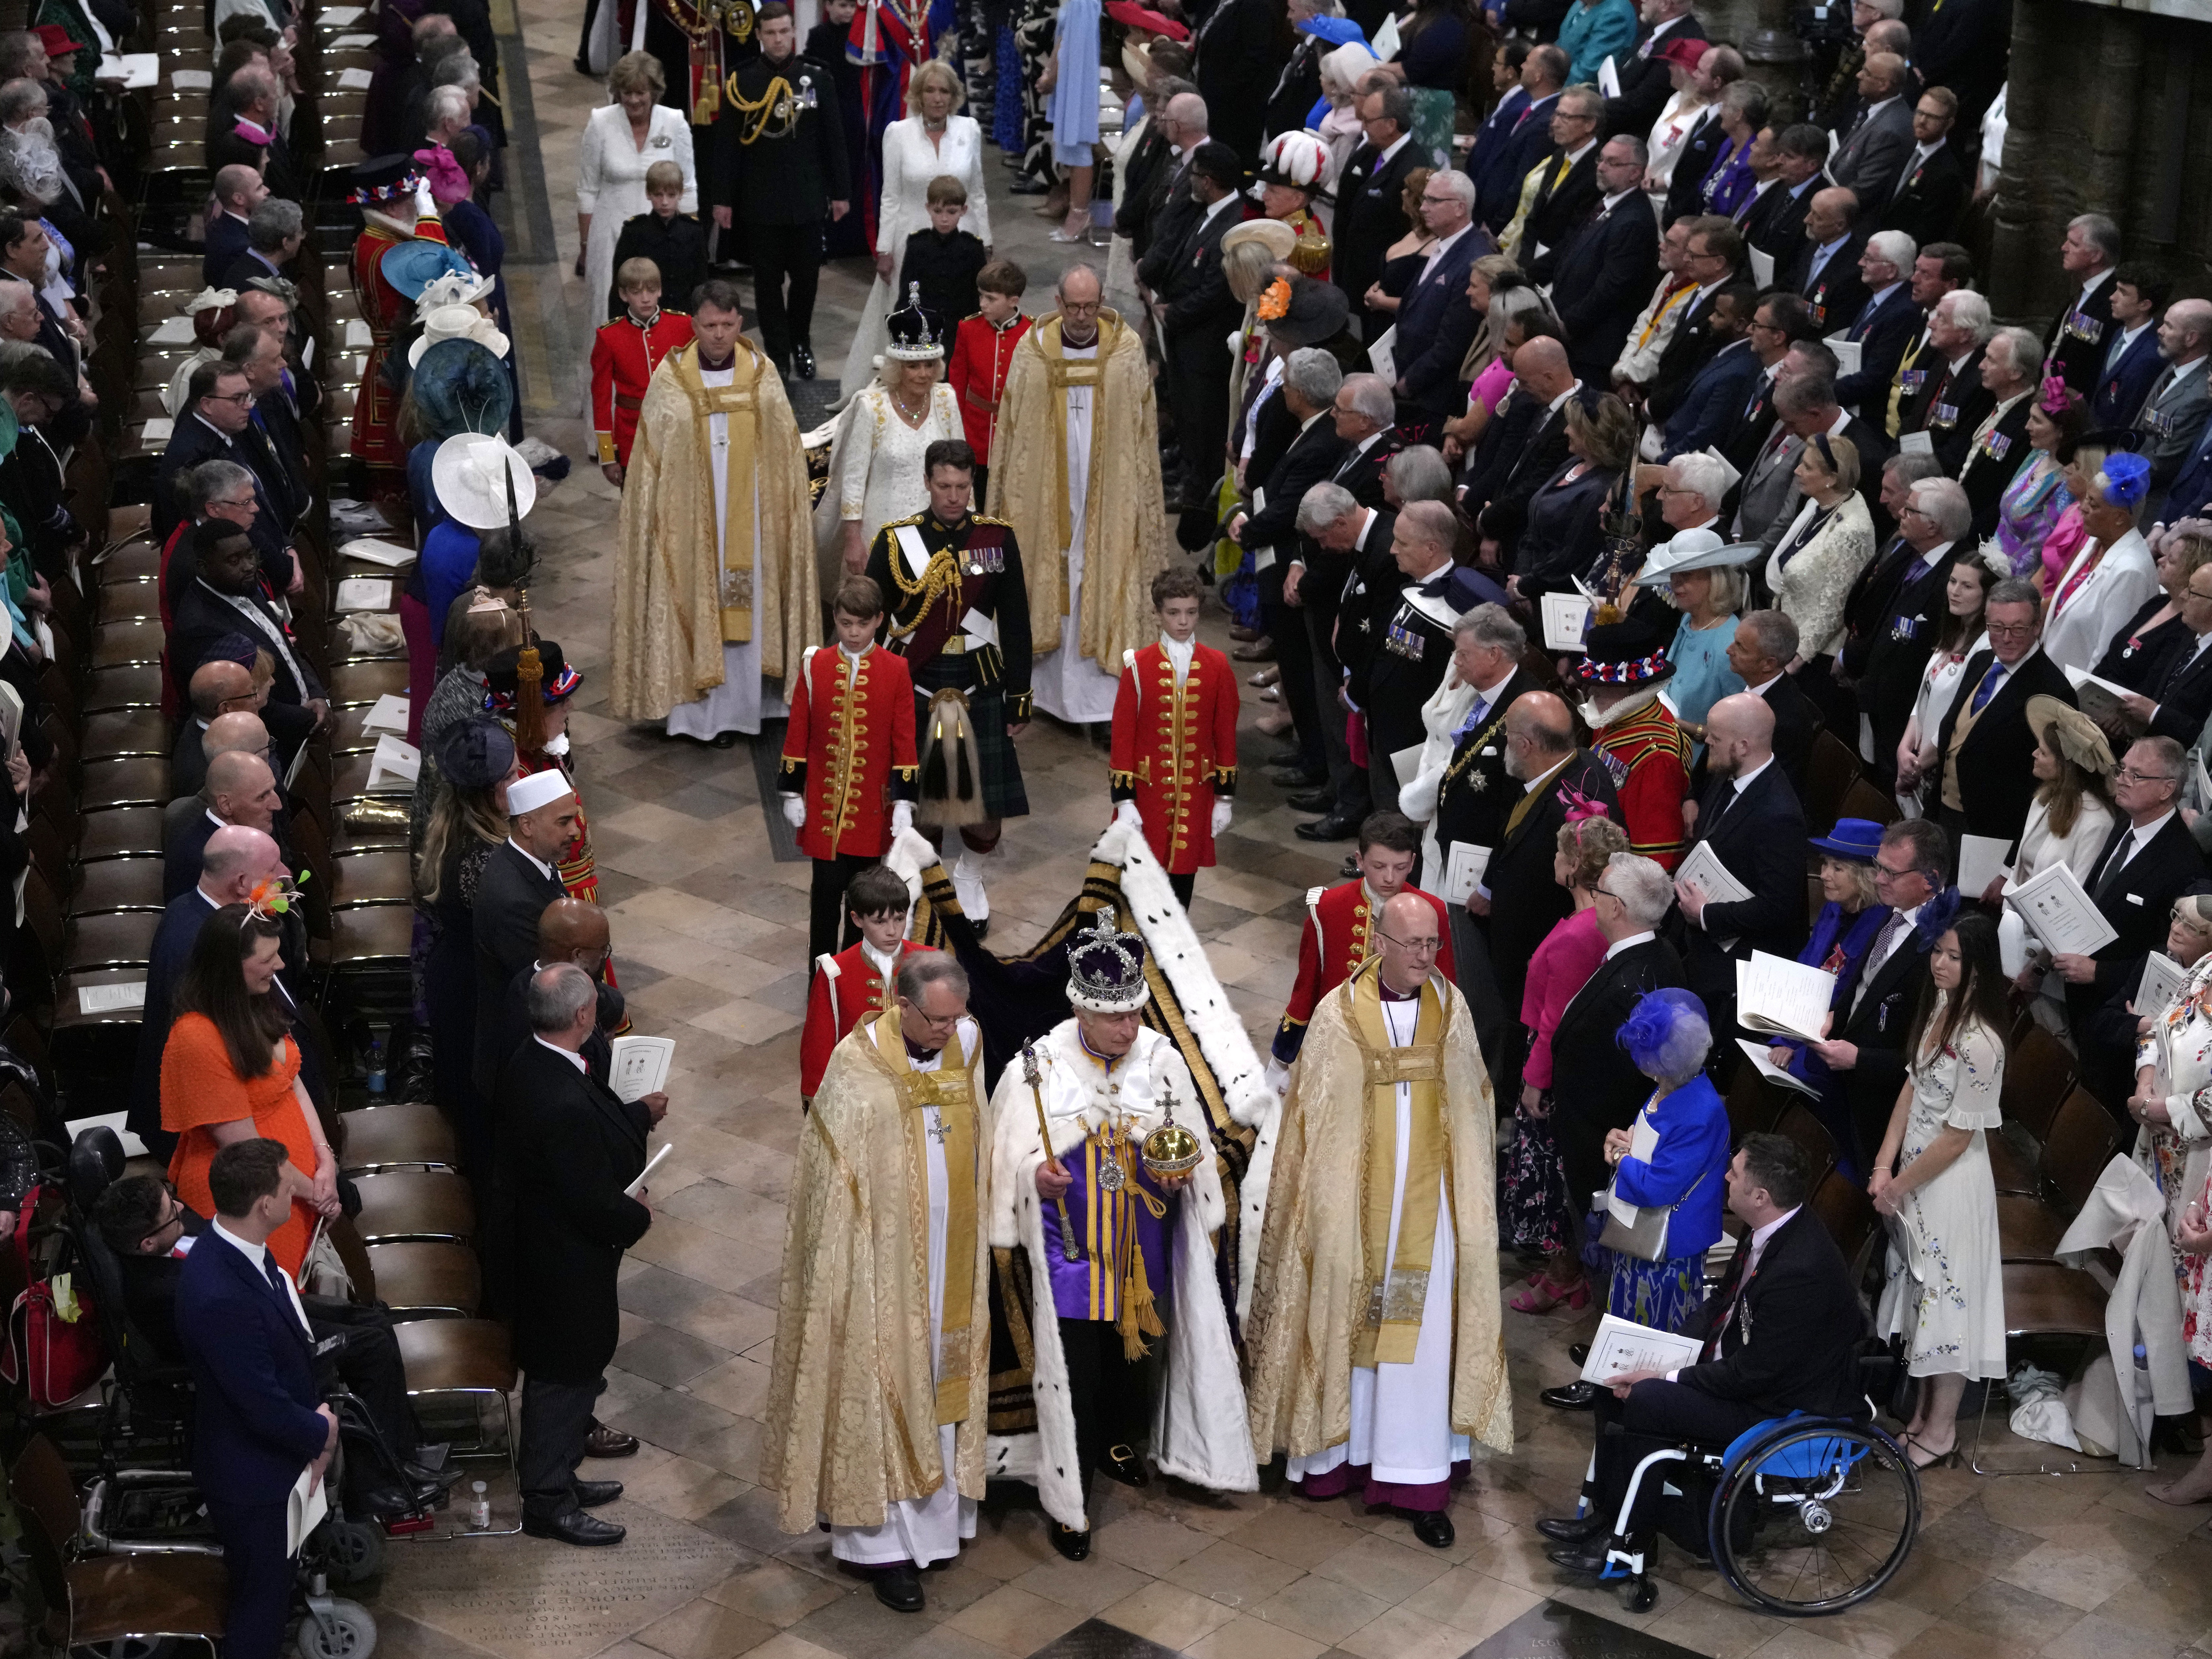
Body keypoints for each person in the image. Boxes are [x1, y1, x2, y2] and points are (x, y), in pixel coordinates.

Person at [1247, 888, 1511, 1549]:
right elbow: (1314, 1121)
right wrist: (1328, 1208)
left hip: (1430, 1214)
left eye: (1433, 943)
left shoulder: (1451, 1012)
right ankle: (1338, 1456)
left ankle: (1414, 1473)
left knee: (1420, 1340)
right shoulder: (1337, 1016)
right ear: (1380, 945)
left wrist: (1466, 1203)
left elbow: (1474, 1106)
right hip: (1351, 1211)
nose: (1426, 956)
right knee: (1346, 1317)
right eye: (1413, 944)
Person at [986, 908, 1250, 1559]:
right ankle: (1069, 1490)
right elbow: (1007, 1159)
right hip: (1069, 1250)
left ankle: (1119, 1441)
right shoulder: (1037, 1067)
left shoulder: (1159, 1060)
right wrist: (1033, 1179)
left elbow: (1190, 1143)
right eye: (1116, 1017)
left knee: (1134, 1357)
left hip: (1142, 1247)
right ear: (1082, 1012)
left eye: (1135, 1013)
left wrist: (1180, 1167)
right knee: (1075, 1369)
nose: (1130, 1027)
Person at [1539, 1135, 1867, 1581]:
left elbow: (1754, 1375)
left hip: (1776, 1404)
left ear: (1760, 1196)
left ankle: (1631, 1542)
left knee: (1647, 1401)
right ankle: (1609, 1518)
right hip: (1744, 1370)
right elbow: (1719, 1305)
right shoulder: (1770, 1227)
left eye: (1734, 1173)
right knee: (1610, 1378)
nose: (1725, 1177)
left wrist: (1670, 1375)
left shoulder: (1801, 1270)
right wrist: (1666, 1350)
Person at [766, 952, 990, 1604]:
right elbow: (828, 1183)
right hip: (880, 1264)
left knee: (941, 1379)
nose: (950, 1029)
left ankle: (939, 1527)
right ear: (903, 1004)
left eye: (956, 1016)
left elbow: (983, 1128)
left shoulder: (969, 1042)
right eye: (938, 1019)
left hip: (954, 1255)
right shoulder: (856, 1063)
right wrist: (848, 1259)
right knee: (883, 1383)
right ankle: (882, 1545)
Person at [611, 280, 818, 744]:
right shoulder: (672, 379)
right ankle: (698, 718)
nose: (720, 335)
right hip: (691, 527)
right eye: (710, 326)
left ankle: (750, 710)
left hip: (753, 523)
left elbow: (786, 457)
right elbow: (651, 463)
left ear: (740, 323)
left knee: (749, 607)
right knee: (698, 602)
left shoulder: (763, 376)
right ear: (694, 325)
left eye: (728, 325)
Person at [173, 1140, 340, 1659]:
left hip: (265, 1456)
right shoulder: (220, 1293)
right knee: (260, 1611)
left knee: (270, 1594)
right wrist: (322, 1434)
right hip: (254, 1478)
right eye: (289, 1186)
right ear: (266, 1204)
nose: (297, 1191)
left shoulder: (235, 1246)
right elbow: (259, 1402)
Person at [507, 964, 652, 1547]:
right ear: (583, 1016)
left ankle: (562, 1471)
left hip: (548, 1247)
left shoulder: (533, 1058)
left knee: (573, 1362)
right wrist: (637, 1211)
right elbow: (588, 1198)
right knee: (563, 1370)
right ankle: (547, 1497)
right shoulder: (560, 1098)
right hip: (563, 1258)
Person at [988, 262, 1168, 727]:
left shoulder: (1125, 351)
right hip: (1047, 493)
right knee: (1053, 568)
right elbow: (1013, 431)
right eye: (1075, 307)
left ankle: (1107, 702)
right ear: (1059, 304)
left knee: (1104, 571)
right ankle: (1045, 692)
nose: (1084, 316)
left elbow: (1142, 431)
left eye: (1091, 305)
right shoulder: (1033, 351)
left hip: (1108, 488)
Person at [865, 440, 1032, 928]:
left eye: (962, 487)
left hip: (979, 681)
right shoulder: (898, 542)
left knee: (985, 804)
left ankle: (971, 875)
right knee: (920, 800)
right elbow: (873, 618)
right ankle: (928, 882)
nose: (954, 497)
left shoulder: (997, 540)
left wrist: (1019, 697)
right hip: (917, 682)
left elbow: (1016, 621)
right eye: (944, 486)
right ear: (927, 482)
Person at [1870, 911, 2007, 1468]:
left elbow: (1956, 1138)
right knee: (1919, 1299)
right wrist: (1883, 1163)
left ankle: (1943, 1427)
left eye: (1953, 955)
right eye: (1939, 951)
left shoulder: (1981, 1043)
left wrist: (1898, 1184)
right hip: (1912, 1177)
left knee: (1945, 1304)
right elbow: (1911, 1085)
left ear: (1977, 966)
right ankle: (1921, 1418)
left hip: (1948, 1186)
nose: (1940, 962)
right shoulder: (1939, 1011)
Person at [160, 904, 336, 1283]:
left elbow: (294, 1082)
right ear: (230, 966)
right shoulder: (196, 1037)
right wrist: (316, 1192)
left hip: (295, 1189)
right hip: (253, 1200)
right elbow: (247, 1152)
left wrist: (326, 1161)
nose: (281, 966)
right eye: (268, 957)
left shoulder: (255, 1001)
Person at [1503, 815, 1629, 1314]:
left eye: (1559, 854)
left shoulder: (1582, 934)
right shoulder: (1588, 923)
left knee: (1555, 1179)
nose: (1553, 862)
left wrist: (1535, 1081)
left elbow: (1557, 1020)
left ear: (1575, 865)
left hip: (1551, 1065)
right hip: (1555, 1055)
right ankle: (1565, 1269)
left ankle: (1564, 1274)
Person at [1468, 693, 1623, 1067]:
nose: (1505, 743)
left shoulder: (1574, 805)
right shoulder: (1576, 762)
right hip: (1520, 928)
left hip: (1535, 942)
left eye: (1508, 736)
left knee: (1520, 1025)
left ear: (1526, 745)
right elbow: (1514, 829)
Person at [2059, 737, 2212, 1111]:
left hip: (2123, 1024)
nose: (2122, 779)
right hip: (2081, 1005)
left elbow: (2173, 957)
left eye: (2136, 774)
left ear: (2167, 790)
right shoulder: (2123, 826)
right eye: (2121, 769)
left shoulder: (2184, 865)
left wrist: (2100, 972)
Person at [780, 575, 920, 964]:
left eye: (861, 624)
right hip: (825, 814)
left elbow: (903, 741)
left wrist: (905, 801)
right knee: (823, 904)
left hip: (872, 816)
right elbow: (798, 730)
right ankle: (820, 987)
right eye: (845, 624)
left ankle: (855, 980)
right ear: (836, 620)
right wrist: (791, 790)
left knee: (863, 908)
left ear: (878, 620)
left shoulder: (896, 670)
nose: (853, 633)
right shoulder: (816, 665)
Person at [129, 825, 283, 1159]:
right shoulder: (201, 946)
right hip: (221, 1138)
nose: (284, 876)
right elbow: (215, 1059)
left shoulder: (187, 907)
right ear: (242, 884)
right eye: (273, 870)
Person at [1673, 692, 1809, 1061]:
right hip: (1705, 949)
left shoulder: (1779, 815)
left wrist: (1705, 915)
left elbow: (1779, 907)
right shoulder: (1726, 775)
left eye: (1714, 739)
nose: (1707, 743)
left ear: (1743, 746)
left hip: (1741, 973)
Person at [1268, 811, 1455, 1077]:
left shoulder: (1433, 910)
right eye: (1379, 866)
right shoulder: (1328, 908)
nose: (1390, 877)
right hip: (1340, 1048)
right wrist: (1280, 1058)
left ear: (1414, 861)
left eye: (1400, 867)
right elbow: (1306, 988)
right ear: (1360, 860)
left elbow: (1445, 990)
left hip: (1406, 1048)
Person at [835, 57, 982, 390]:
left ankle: (954, 387)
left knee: (960, 314)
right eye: (929, 90)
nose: (937, 98)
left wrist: (984, 241)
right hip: (908, 242)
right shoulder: (898, 134)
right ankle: (899, 385)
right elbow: (890, 195)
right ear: (918, 95)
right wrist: (884, 248)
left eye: (944, 91)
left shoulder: (969, 130)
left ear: (954, 95)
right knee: (907, 312)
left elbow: (978, 192)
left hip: (961, 237)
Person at [1594, 988, 1731, 1337]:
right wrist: (1626, 1140)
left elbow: (1657, 1187)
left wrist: (1622, 1157)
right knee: (1626, 1315)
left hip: (1669, 1246)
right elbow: (1654, 1137)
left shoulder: (1701, 1112)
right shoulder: (1672, 1083)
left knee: (1653, 1329)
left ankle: (1634, 1386)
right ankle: (1611, 1372)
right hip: (1642, 1228)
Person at [418, 717, 518, 1180]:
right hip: (475, 992)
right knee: (482, 1108)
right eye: (514, 775)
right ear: (494, 793)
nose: (521, 780)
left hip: (456, 972)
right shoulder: (484, 860)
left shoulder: (452, 826)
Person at [1108, 568, 1236, 909]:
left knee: (1182, 883)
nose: (1183, 622)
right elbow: (1123, 735)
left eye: (1191, 612)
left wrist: (1224, 798)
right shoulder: (1137, 666)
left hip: (1196, 793)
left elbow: (1224, 732)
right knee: (1138, 881)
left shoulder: (1218, 665)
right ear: (1158, 614)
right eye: (1174, 613)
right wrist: (1124, 802)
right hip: (1147, 793)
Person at [1929, 578, 2077, 851]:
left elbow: (2052, 785)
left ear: (2037, 627)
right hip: (1943, 818)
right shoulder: (1980, 662)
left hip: (1993, 837)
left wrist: (2010, 864)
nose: (2007, 638)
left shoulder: (2053, 690)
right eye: (1997, 628)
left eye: (2018, 629)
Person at [1996, 699, 2116, 1037]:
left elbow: (2073, 906)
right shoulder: (2043, 799)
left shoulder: (2096, 822)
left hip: (2048, 964)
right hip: (2014, 935)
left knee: (2044, 1039)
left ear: (2066, 765)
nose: (2035, 754)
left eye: (2044, 752)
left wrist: (2039, 967)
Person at [823, 291, 963, 577]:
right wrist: (853, 541)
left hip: (936, 531)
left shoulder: (946, 400)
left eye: (929, 365)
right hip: (879, 533)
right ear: (897, 368)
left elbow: (962, 469)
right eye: (913, 366)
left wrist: (966, 531)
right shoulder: (871, 406)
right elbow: (854, 480)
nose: (923, 374)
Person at [472, 768, 577, 1100]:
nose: (576, 831)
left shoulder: (536, 861)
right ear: (528, 825)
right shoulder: (513, 900)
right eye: (564, 822)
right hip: (520, 1061)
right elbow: (551, 989)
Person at [577, 53, 697, 336]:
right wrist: (585, 244)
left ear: (654, 92)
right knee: (609, 315)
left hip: (663, 234)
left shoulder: (674, 122)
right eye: (626, 92)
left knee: (662, 313)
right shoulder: (600, 122)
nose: (633, 100)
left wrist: (690, 238)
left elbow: (689, 185)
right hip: (609, 236)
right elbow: (587, 189)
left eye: (640, 92)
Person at [796, 864, 933, 1105]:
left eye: (899, 919)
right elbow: (818, 1047)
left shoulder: (930, 962)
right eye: (880, 922)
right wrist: (817, 1105)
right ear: (857, 919)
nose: (892, 931)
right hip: (858, 1099)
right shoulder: (835, 973)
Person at [1574, 619, 1691, 870]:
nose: (1592, 691)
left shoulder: (1658, 759)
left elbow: (1655, 863)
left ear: (1634, 688)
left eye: (1605, 685)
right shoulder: (1615, 714)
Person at [1390, 169, 1487, 444]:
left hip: (1431, 397)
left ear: (1459, 208)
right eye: (1424, 199)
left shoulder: (1473, 261)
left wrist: (1409, 382)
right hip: (1409, 379)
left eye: (1433, 201)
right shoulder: (1444, 245)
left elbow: (1453, 343)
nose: (1423, 208)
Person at [2042, 451, 2160, 675]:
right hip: (2048, 671)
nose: (2083, 507)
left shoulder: (2131, 572)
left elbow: (2106, 653)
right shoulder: (2096, 542)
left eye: (2094, 504)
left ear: (2119, 518)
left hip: (2069, 695)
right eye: (2087, 498)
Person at [590, 257, 695, 484]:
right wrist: (608, 455)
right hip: (632, 438)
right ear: (623, 295)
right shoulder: (608, 336)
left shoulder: (684, 325)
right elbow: (601, 400)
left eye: (652, 290)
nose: (646, 298)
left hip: (678, 432)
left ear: (660, 291)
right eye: (637, 292)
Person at [943, 258, 1029, 503]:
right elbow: (957, 382)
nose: (983, 304)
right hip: (975, 432)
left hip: (1014, 431)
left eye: (991, 299)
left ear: (1013, 301)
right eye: (981, 296)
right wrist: (954, 429)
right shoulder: (968, 328)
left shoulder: (1033, 334)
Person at [1992, 381, 2085, 581]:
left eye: (2037, 421)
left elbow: (2039, 548)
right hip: (1993, 559)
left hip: (2018, 580)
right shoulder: (2037, 455)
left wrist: (1996, 574)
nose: (2027, 426)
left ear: (2061, 430)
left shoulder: (2067, 482)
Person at [605, 161, 707, 322]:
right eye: (659, 195)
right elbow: (620, 285)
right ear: (648, 194)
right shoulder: (634, 232)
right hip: (646, 319)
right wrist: (617, 326)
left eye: (671, 195)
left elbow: (701, 284)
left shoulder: (693, 231)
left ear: (681, 194)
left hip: (685, 317)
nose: (665, 202)